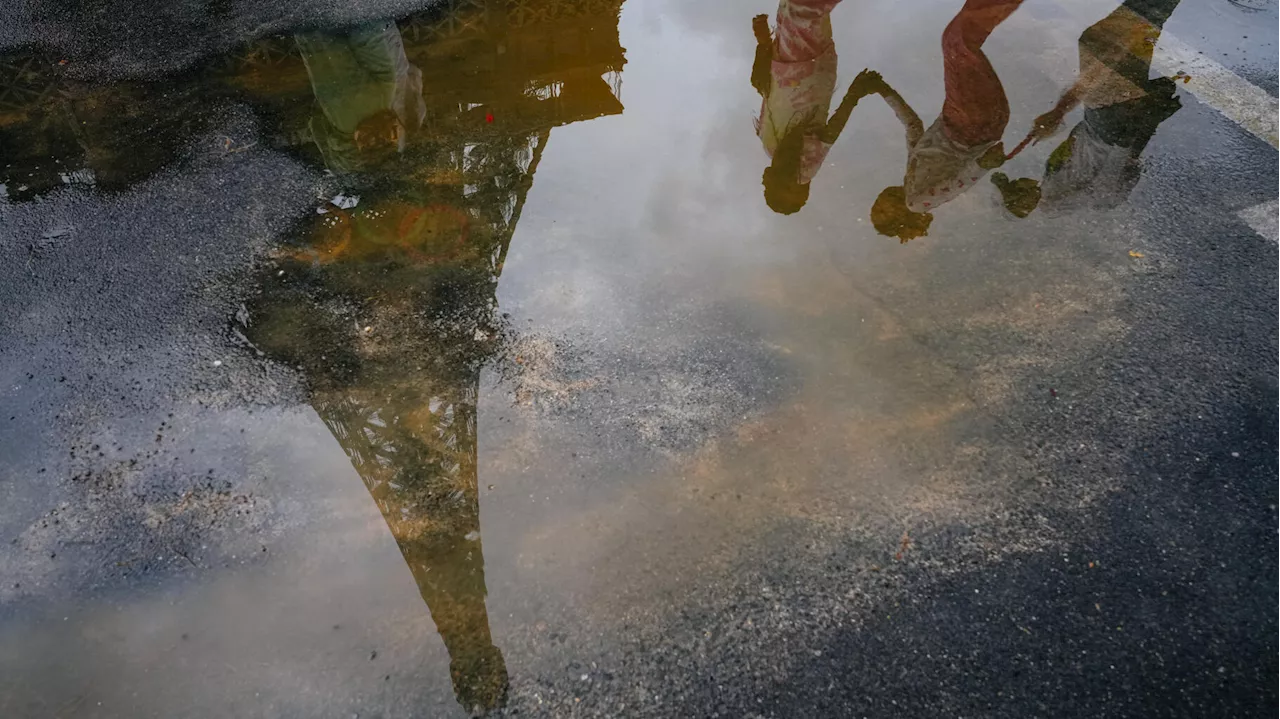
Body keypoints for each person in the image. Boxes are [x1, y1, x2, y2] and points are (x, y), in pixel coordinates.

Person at [994, 0, 1183, 217]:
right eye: (1015, 188)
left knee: (1110, 47)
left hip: (1102, 121)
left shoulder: (1048, 186)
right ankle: (1154, 9)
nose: (1018, 181)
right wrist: (1124, 146)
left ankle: (1152, 11)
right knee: (1102, 46)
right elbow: (1105, 188)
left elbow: (1080, 149)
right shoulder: (1053, 200)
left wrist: (1055, 121)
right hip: (1111, 128)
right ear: (1022, 205)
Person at [864, 0, 1026, 242]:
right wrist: (982, 165)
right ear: (902, 218)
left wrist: (884, 90)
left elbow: (912, 126)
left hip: (973, 121)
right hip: (969, 126)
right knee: (957, 44)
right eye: (883, 211)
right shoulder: (915, 203)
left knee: (960, 45)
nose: (881, 202)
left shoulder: (912, 179)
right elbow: (954, 185)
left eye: (875, 206)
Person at [752, 0, 882, 215]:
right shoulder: (803, 170)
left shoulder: (771, 149)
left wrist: (764, 44)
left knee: (792, 8)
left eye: (784, 188)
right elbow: (830, 133)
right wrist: (855, 94)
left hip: (786, 65)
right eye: (794, 189)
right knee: (802, 9)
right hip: (808, 71)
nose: (795, 184)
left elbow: (768, 93)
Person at [295, 20, 426, 174]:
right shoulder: (342, 153)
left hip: (368, 36)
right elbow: (316, 123)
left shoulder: (403, 121)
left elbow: (371, 37)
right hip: (313, 35)